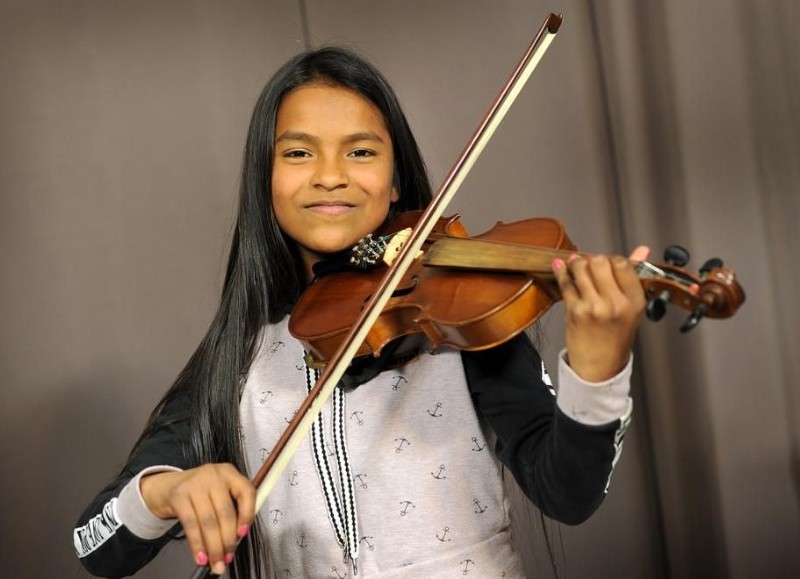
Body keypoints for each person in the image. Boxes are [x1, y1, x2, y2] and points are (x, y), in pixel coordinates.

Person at [74, 46, 649, 578]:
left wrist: (598, 369)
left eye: (361, 151)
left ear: (395, 181)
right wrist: (168, 492)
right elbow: (94, 546)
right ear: (265, 180)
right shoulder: (239, 356)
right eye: (298, 152)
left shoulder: (456, 315)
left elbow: (569, 494)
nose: (331, 174)